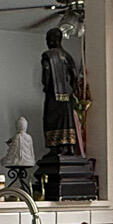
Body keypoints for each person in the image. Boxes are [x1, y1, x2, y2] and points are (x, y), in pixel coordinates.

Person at [40, 29, 81, 157]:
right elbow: (74, 75)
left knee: (51, 120)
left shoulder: (48, 55)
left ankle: (55, 148)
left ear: (52, 40)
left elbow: (46, 72)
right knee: (67, 121)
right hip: (67, 95)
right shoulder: (68, 56)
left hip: (53, 95)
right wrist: (71, 89)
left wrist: (46, 85)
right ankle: (69, 147)